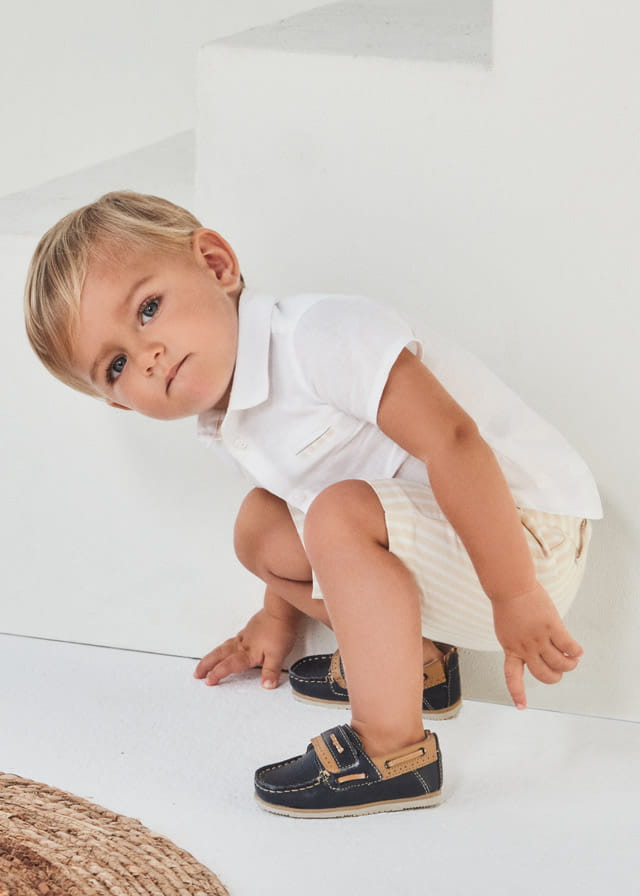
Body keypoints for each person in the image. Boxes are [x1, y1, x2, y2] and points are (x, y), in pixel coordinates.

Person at [24, 191, 602, 819]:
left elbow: (454, 442)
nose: (147, 356)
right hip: (467, 554)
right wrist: (276, 618)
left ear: (216, 264)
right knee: (261, 524)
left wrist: (516, 595)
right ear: (119, 403)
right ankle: (416, 669)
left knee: (339, 513)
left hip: (524, 542)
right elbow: (300, 501)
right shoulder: (230, 416)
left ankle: (393, 750)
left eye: (148, 309)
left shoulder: (319, 336)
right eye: (116, 365)